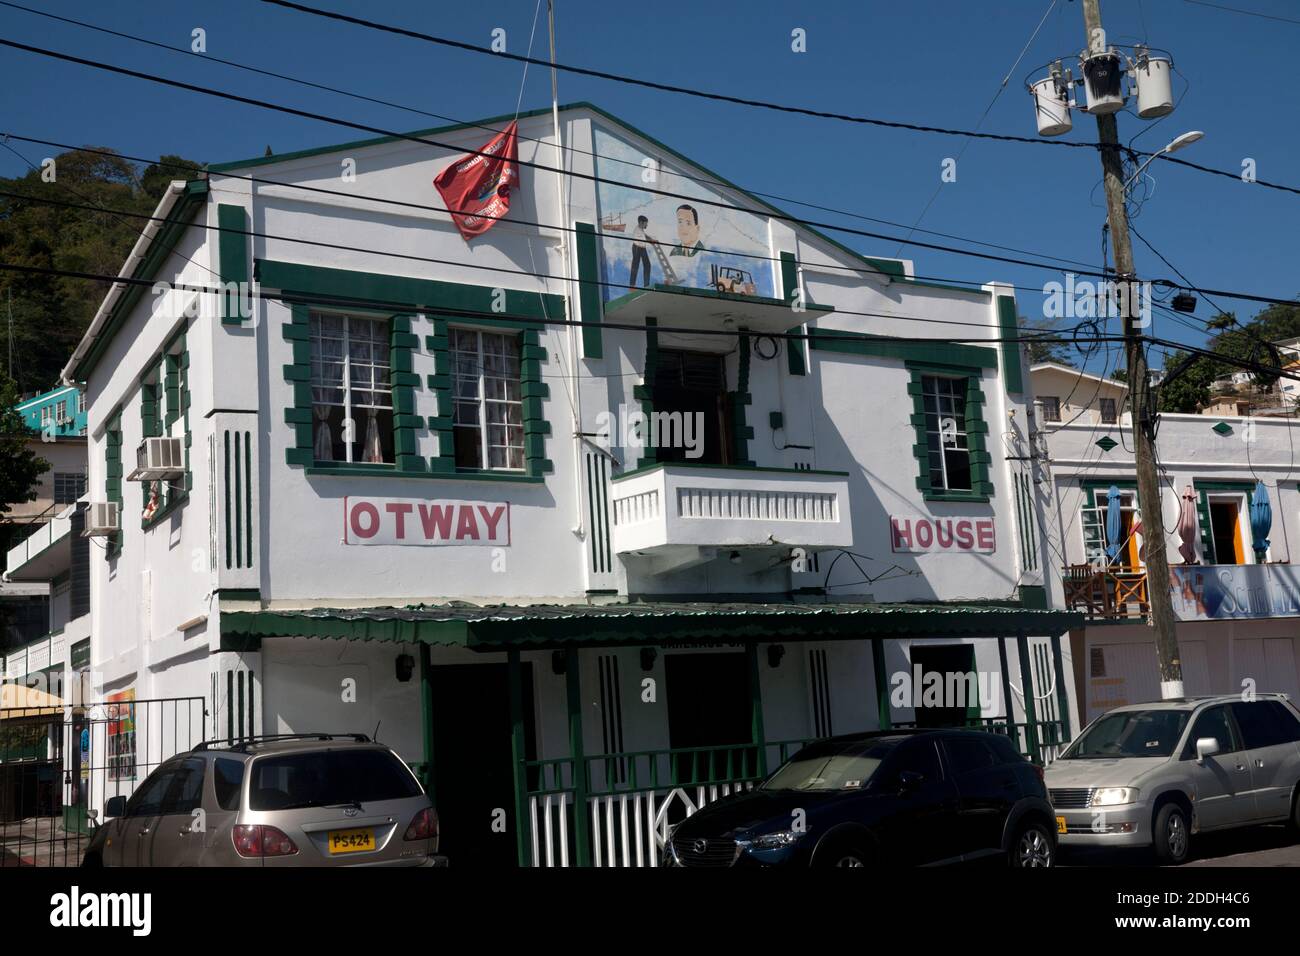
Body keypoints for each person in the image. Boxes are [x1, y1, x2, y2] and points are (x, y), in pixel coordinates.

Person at [629, 215, 652, 288]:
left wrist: (651, 240)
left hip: (642, 248)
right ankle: (632, 285)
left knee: (647, 265)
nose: (647, 225)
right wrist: (651, 240)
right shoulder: (637, 230)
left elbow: (645, 236)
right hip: (637, 248)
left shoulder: (640, 229)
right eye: (646, 223)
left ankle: (646, 285)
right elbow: (644, 238)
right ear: (641, 222)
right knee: (635, 266)